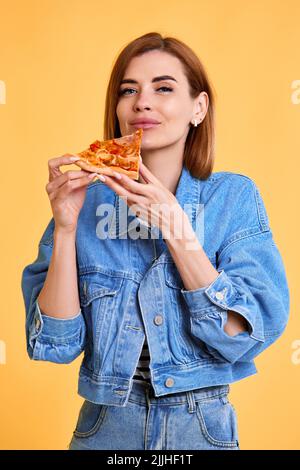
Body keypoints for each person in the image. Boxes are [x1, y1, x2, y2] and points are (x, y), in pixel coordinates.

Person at [21, 32, 290, 450]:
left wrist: (177, 230)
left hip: (200, 428)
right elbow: (54, 344)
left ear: (198, 108)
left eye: (163, 88)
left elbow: (244, 336)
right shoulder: (85, 203)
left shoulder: (232, 198)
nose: (142, 102)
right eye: (129, 90)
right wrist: (66, 228)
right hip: (105, 428)